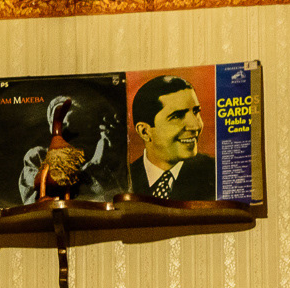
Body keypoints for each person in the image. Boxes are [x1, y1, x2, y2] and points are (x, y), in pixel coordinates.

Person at [15, 93, 122, 204]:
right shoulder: (38, 155)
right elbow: (44, 190)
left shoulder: (96, 152)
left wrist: (111, 150)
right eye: (55, 120)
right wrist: (93, 165)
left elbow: (111, 195)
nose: (60, 123)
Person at [129, 74, 214, 202]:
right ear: (145, 132)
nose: (196, 126)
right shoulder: (124, 179)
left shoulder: (216, 173)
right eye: (177, 116)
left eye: (196, 112)